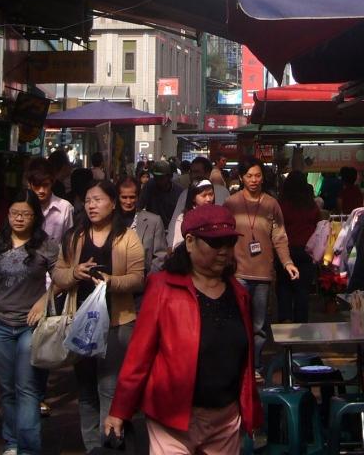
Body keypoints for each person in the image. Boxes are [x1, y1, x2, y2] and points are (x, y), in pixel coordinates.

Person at [104, 205, 263, 454]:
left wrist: (249, 410)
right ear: (189, 242)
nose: (224, 250)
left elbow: (246, 362)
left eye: (229, 242)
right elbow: (139, 355)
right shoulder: (162, 288)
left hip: (226, 420)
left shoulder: (240, 295)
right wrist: (119, 410)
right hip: (170, 421)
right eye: (215, 242)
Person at [52, 179, 146, 453]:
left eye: (98, 200)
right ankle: (93, 447)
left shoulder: (127, 237)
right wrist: (74, 273)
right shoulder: (74, 237)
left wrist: (111, 281)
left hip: (117, 323)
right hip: (81, 323)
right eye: (88, 200)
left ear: (112, 204)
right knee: (85, 392)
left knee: (109, 388)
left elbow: (138, 278)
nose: (92, 206)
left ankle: (110, 447)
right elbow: (57, 273)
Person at [0, 194, 59, 455]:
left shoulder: (46, 245)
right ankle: (12, 442)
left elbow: (61, 280)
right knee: (7, 389)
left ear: (35, 216)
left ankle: (28, 448)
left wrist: (43, 300)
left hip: (31, 326)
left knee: (26, 387)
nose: (19, 218)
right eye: (14, 213)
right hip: (0, 325)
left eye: (25, 214)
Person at [224, 159, 297, 374]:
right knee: (238, 322)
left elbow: (279, 237)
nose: (254, 180)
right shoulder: (231, 203)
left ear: (263, 177)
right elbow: (224, 237)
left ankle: (255, 366)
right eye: (249, 176)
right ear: (241, 178)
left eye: (257, 175)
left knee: (259, 326)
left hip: (263, 274)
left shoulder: (271, 204)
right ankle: (239, 367)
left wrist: (287, 262)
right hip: (238, 272)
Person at [24, 158, 75, 417]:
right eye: (37, 185)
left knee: (41, 338)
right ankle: (27, 392)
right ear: (29, 185)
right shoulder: (22, 208)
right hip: (24, 281)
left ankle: (37, 394)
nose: (41, 190)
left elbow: (69, 244)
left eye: (45, 185)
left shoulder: (64, 208)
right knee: (24, 339)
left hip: (51, 283)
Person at [276, 171, 323, 324]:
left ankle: (285, 320)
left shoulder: (281, 205)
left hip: (285, 250)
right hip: (306, 251)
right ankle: (301, 323)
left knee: (284, 286)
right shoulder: (311, 205)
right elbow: (318, 225)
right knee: (302, 291)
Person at [119, 174, 168, 275]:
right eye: (124, 197)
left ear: (138, 197)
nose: (128, 201)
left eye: (132, 197)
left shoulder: (154, 221)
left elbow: (160, 257)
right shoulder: (109, 220)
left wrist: (147, 279)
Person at [167, 156, 230, 232]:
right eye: (191, 172)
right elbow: (175, 227)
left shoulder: (222, 191)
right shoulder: (185, 193)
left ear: (208, 173)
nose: (192, 175)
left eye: (197, 172)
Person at [170, 179, 218, 250]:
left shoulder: (218, 215)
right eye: (204, 195)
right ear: (193, 198)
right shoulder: (183, 218)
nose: (208, 199)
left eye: (211, 194)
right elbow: (177, 245)